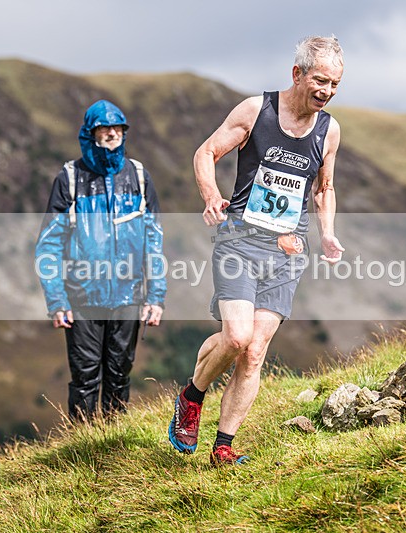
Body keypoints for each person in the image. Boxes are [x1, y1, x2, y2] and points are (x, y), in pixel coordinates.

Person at [168, 36, 344, 465]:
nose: (327, 91)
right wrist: (211, 195)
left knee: (255, 351)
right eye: (320, 80)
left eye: (335, 84)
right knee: (236, 337)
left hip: (288, 251)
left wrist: (327, 233)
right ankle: (192, 397)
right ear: (297, 74)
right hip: (240, 243)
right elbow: (206, 152)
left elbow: (324, 188)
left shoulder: (329, 130)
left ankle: (223, 447)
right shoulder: (256, 111)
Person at [35, 99, 165, 420]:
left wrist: (155, 296)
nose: (111, 133)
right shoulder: (70, 178)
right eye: (103, 128)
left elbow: (154, 240)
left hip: (128, 296)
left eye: (117, 127)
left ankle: (114, 441)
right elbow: (49, 245)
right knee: (85, 379)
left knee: (120, 375)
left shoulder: (138, 176)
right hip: (82, 298)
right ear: (90, 133)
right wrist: (56, 299)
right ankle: (83, 442)